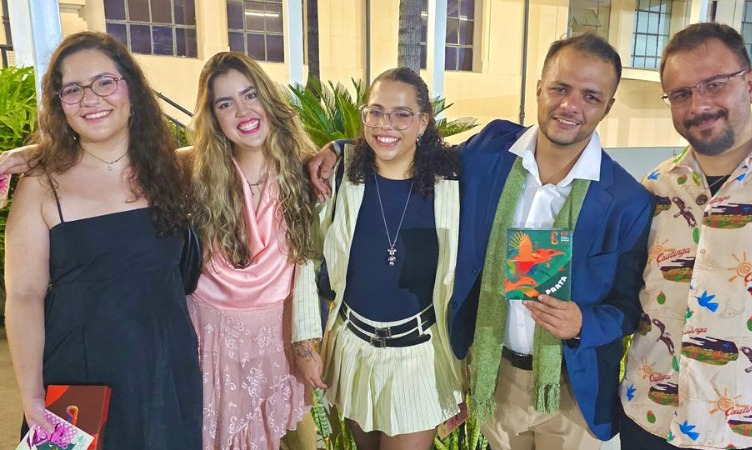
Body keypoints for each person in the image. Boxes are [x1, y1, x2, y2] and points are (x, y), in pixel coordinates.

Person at [307, 33, 653, 450]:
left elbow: (630, 307)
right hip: (497, 375)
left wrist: (584, 322)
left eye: (591, 96)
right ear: (539, 87)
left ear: (608, 106)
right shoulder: (490, 151)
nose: (570, 105)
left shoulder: (626, 198)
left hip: (569, 387)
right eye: (560, 88)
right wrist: (342, 149)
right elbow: (409, 148)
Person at [3, 31, 202, 448]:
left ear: (131, 89)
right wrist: (32, 393)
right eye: (72, 89)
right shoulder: (41, 184)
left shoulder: (173, 168)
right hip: (79, 380)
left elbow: (251, 147)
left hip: (165, 369)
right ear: (60, 105)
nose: (90, 98)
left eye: (104, 82)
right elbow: (23, 294)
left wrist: (339, 150)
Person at [620, 22, 752, 450]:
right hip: (650, 419)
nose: (698, 104)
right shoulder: (655, 186)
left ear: (751, 83)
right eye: (681, 93)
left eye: (715, 84)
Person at [292, 67, 463, 450]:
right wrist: (305, 343)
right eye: (376, 111)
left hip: (418, 356)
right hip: (354, 350)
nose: (386, 124)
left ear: (423, 122)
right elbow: (306, 255)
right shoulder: (341, 177)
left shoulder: (452, 182)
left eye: (402, 114)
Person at [185, 51, 316, 450]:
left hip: (278, 337)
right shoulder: (192, 172)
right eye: (226, 103)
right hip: (210, 338)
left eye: (249, 95)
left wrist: (306, 344)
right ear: (214, 118)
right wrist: (34, 155)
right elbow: (115, 162)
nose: (242, 111)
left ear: (267, 99)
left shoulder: (307, 172)